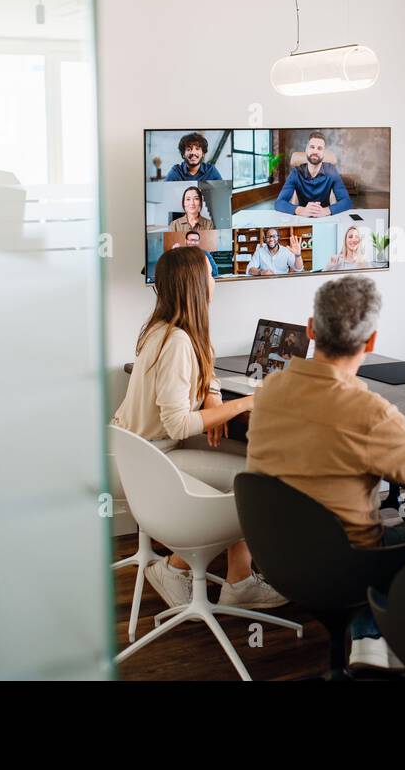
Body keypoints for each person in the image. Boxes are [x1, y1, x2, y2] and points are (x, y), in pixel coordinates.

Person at [247, 275, 405, 671]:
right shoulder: (367, 412)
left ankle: (369, 634)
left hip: (276, 557)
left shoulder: (268, 390)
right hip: (345, 566)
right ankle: (389, 635)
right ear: (371, 342)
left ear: (311, 328)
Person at [111, 246, 286, 610]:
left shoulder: (173, 329)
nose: (215, 281)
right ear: (195, 284)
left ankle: (239, 579)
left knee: (251, 462)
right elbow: (177, 423)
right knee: (254, 487)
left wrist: (214, 398)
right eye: (211, 275)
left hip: (138, 449)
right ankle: (176, 568)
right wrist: (248, 402)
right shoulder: (176, 341)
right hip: (152, 456)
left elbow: (204, 374)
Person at [273, 131, 351, 217]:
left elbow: (347, 201)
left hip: (324, 217)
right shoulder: (296, 172)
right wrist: (301, 210)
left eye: (319, 148)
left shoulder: (331, 171)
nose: (315, 151)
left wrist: (326, 211)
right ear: (306, 150)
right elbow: (279, 203)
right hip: (302, 218)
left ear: (324, 153)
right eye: (312, 147)